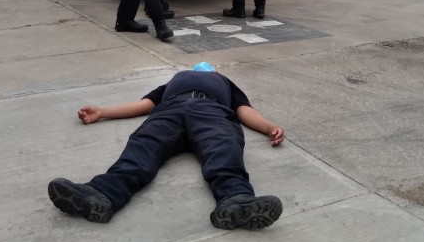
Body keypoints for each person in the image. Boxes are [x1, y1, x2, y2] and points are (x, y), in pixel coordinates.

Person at [48, 62, 284, 230]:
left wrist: (268, 127)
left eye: (207, 68)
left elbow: (244, 110)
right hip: (169, 110)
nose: (202, 69)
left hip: (211, 111)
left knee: (223, 147)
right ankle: (102, 193)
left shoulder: (224, 81)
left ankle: (236, 200)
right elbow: (144, 104)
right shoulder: (174, 80)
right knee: (143, 147)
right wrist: (102, 112)